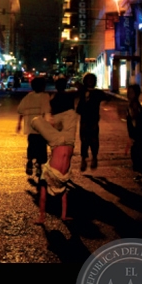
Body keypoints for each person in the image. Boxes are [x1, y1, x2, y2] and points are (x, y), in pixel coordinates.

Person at [31, 80, 79, 224]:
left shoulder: (46, 178)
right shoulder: (63, 181)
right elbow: (64, 199)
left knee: (35, 121)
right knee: (72, 114)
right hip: (69, 141)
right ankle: (54, 121)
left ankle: (52, 121)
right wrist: (64, 216)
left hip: (56, 142)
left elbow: (42, 199)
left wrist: (41, 217)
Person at [16, 76, 51, 177]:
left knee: (31, 146)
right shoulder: (45, 96)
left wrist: (19, 124)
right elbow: (48, 110)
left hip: (30, 128)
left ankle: (30, 161)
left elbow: (20, 110)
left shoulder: (28, 97)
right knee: (41, 148)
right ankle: (39, 166)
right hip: (41, 128)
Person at [76, 72, 109, 171]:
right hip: (84, 119)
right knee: (84, 140)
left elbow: (107, 97)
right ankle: (83, 159)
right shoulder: (83, 91)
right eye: (88, 79)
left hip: (93, 119)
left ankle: (94, 157)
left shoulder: (97, 93)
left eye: (92, 79)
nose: (90, 81)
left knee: (94, 139)